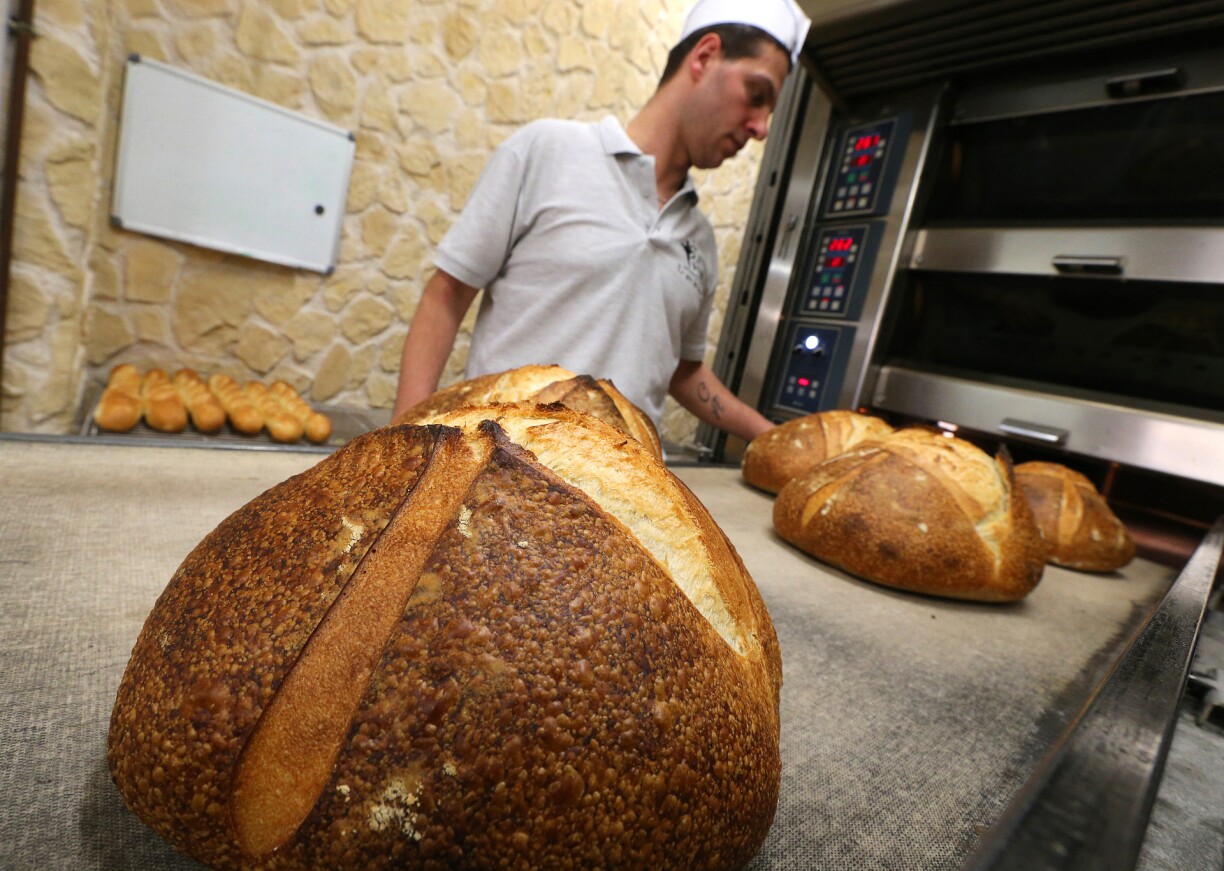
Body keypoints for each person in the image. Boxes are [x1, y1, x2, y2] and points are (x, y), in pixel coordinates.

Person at [391, 0, 810, 443]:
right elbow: (446, 296)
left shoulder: (700, 240)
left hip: (623, 486)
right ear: (705, 56)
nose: (762, 127)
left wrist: (773, 435)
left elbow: (683, 372)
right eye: (757, 95)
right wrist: (400, 443)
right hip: (500, 471)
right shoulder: (548, 151)